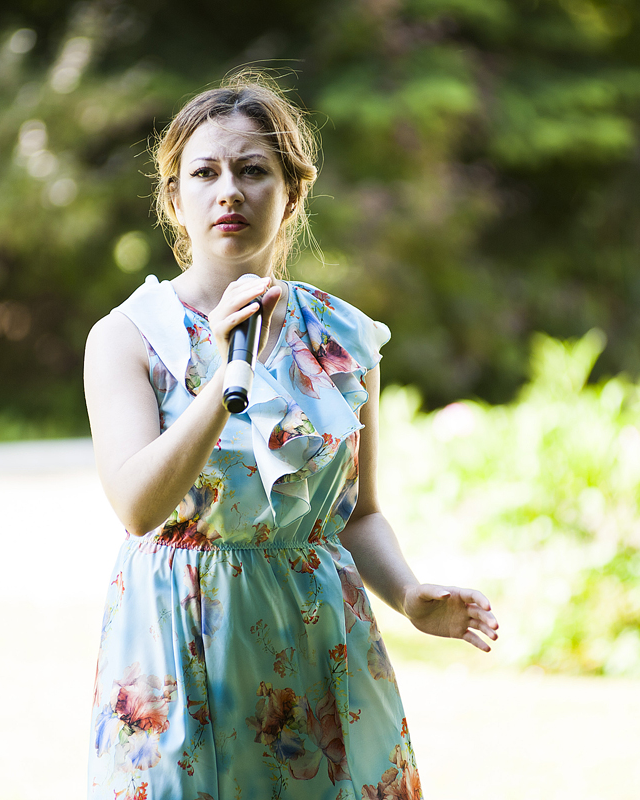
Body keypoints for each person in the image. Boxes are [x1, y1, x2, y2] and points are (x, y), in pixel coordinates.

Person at [83, 72, 498, 800]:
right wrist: (224, 377)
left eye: (253, 170)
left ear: (293, 193)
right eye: (205, 173)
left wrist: (408, 594)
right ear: (174, 198)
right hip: (180, 644)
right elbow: (138, 507)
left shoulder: (345, 338)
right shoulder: (127, 337)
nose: (230, 192)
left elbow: (356, 515)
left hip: (314, 638)